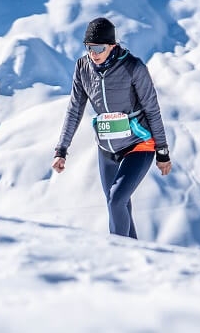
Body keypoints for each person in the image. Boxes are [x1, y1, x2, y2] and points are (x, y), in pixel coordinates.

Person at [52, 17, 172, 237]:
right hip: (107, 146)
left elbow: (153, 109)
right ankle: (135, 256)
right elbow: (74, 109)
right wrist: (61, 150)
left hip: (139, 143)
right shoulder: (83, 67)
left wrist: (162, 152)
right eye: (89, 47)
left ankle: (117, 254)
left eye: (99, 48)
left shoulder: (133, 67)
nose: (93, 53)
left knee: (117, 198)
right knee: (116, 204)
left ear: (112, 46)